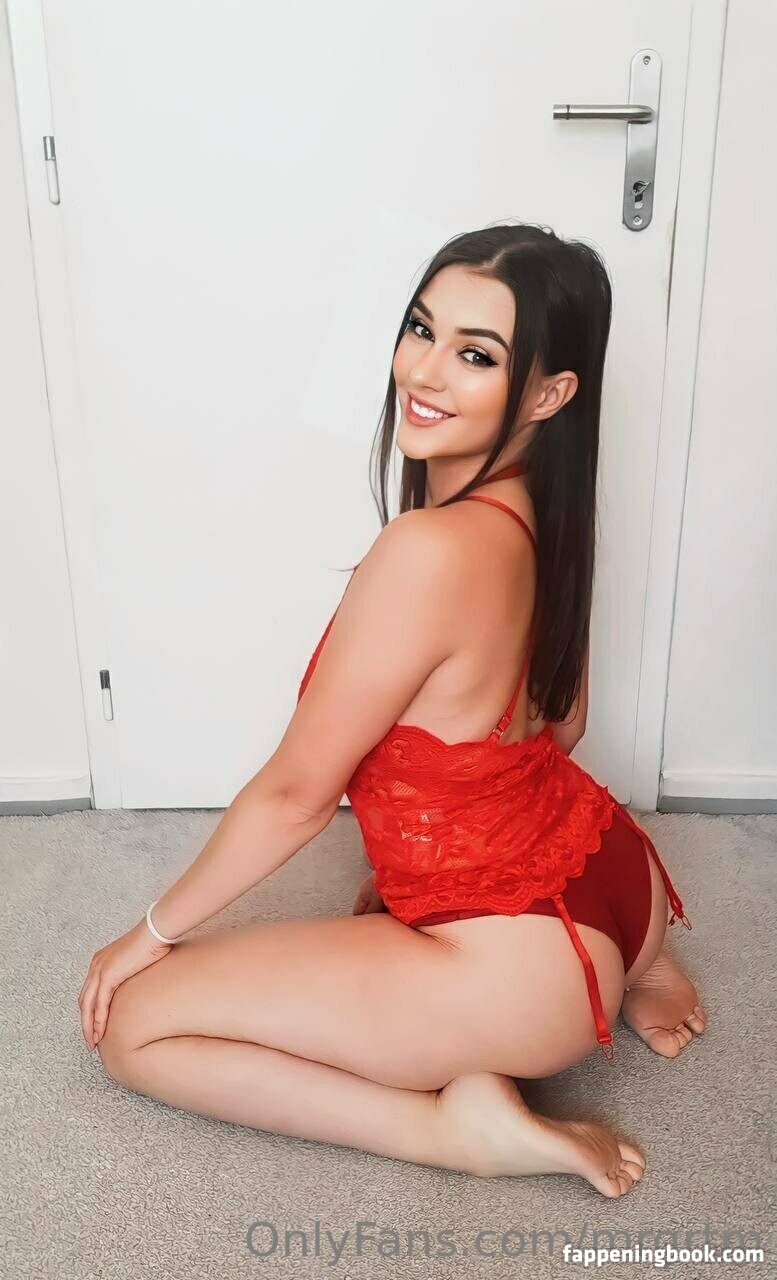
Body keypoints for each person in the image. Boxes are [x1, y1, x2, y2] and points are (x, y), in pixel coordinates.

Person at [78, 223, 706, 1199]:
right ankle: (645, 967)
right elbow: (564, 727)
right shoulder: (548, 513)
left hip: (522, 974)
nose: (423, 370)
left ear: (549, 394)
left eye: (475, 354)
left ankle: (450, 1128)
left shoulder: (426, 550)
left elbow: (294, 797)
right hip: (616, 876)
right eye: (422, 329)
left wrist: (148, 933)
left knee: (132, 1026)